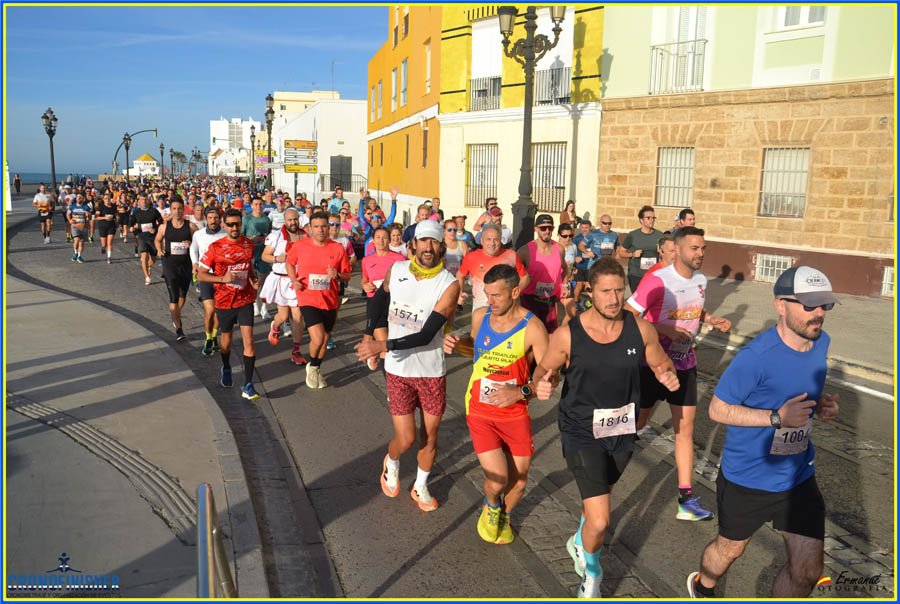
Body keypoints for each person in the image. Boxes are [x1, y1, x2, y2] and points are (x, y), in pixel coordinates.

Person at [686, 266, 841, 598]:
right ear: (780, 305)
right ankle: (702, 586)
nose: (818, 314)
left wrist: (823, 405)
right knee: (729, 550)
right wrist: (776, 418)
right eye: (809, 305)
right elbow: (717, 410)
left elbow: (802, 392)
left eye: (824, 306)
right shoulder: (755, 358)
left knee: (808, 571)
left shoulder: (820, 342)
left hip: (797, 477)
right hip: (748, 478)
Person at [532, 257, 680, 598]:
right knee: (600, 519)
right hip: (580, 430)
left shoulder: (640, 329)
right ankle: (592, 576)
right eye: (605, 292)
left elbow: (660, 361)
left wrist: (666, 372)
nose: (613, 299)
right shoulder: (568, 335)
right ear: (591, 294)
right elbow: (543, 370)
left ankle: (578, 540)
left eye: (619, 291)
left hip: (621, 430)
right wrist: (543, 384)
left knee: (598, 500)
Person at [626, 227, 733, 521]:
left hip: (684, 365)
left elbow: (693, 309)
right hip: (653, 366)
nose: (700, 254)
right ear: (678, 249)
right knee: (639, 421)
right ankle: (612, 454)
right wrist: (663, 329)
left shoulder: (700, 280)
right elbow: (628, 314)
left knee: (684, 431)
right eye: (694, 248)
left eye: (703, 248)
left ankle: (685, 499)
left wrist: (710, 318)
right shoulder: (658, 280)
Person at [355, 220, 460, 512]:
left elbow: (427, 334)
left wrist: (382, 346)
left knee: (430, 436)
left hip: (430, 370)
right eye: (423, 241)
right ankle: (391, 461)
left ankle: (421, 485)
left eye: (434, 242)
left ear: (441, 247)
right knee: (406, 438)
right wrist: (368, 335)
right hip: (399, 371)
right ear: (413, 244)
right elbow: (377, 301)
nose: (428, 247)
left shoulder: (449, 284)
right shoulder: (398, 270)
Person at [444, 264, 549, 544]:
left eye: (496, 296)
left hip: (515, 413)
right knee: (499, 480)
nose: (489, 301)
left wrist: (520, 391)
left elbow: (549, 376)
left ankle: (504, 513)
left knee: (521, 481)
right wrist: (457, 344)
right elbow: (478, 348)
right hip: (480, 410)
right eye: (487, 294)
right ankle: (492, 505)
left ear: (515, 292)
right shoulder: (481, 316)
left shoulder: (533, 328)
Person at [198, 208, 262, 401]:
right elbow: (201, 274)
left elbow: (249, 267)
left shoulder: (248, 244)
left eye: (238, 224)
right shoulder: (215, 247)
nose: (235, 227)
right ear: (224, 225)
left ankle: (248, 384)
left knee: (248, 340)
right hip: (225, 301)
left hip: (245, 299)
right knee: (225, 340)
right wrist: (222, 279)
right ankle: (226, 366)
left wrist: (253, 279)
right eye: (231, 224)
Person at [285, 211, 352, 388]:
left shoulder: (337, 248)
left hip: (329, 300)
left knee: (325, 338)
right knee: (319, 336)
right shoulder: (300, 246)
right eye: (316, 227)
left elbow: (347, 275)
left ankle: (314, 367)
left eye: (324, 226)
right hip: (307, 297)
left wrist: (337, 275)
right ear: (310, 228)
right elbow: (289, 262)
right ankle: (313, 366)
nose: (321, 230)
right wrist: (294, 280)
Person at [261, 207, 308, 365]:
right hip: (281, 280)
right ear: (285, 220)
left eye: (295, 219)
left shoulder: (305, 235)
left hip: (298, 280)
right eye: (290, 220)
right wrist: (277, 258)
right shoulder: (276, 236)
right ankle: (275, 326)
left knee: (298, 316)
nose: (293, 222)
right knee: (283, 316)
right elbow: (264, 256)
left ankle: (296, 350)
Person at [360, 226, 406, 370]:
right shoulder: (367, 260)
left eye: (385, 237)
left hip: (395, 304)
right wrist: (365, 285)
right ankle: (391, 389)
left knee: (395, 343)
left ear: (390, 240)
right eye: (378, 237)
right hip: (375, 304)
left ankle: (375, 350)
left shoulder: (399, 259)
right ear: (372, 240)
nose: (381, 240)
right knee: (385, 345)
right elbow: (364, 279)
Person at [458, 223, 529, 312]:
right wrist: (459, 292)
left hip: (507, 310)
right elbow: (460, 275)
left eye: (496, 239)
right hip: (481, 310)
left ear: (500, 241)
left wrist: (515, 293)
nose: (492, 243)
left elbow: (525, 277)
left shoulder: (511, 255)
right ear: (481, 241)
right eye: (488, 239)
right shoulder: (471, 257)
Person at [155, 198, 197, 341]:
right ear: (170, 210)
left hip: (185, 266)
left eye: (180, 208)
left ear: (183, 210)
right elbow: (157, 239)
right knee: (173, 296)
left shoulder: (190, 226)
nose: (177, 211)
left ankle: (175, 315)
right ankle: (179, 329)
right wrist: (159, 249)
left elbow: (198, 244)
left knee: (182, 296)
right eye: (174, 208)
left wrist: (191, 244)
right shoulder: (164, 227)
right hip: (169, 265)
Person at [517, 214, 566, 333]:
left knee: (550, 336)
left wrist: (564, 285)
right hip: (530, 301)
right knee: (529, 336)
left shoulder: (559, 249)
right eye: (543, 228)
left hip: (549, 301)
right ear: (536, 229)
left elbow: (565, 269)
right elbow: (513, 273)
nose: (547, 231)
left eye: (550, 228)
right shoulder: (525, 251)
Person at [191, 207, 227, 355]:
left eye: (216, 218)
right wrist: (195, 264)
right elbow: (193, 249)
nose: (213, 221)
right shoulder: (199, 234)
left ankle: (213, 336)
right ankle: (208, 338)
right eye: (210, 218)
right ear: (206, 219)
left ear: (220, 219)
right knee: (210, 309)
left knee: (218, 311)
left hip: (221, 277)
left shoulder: (225, 235)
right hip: (205, 276)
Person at [620, 205, 663, 294]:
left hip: (653, 275)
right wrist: (632, 254)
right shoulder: (633, 235)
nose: (652, 220)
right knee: (638, 302)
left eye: (653, 217)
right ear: (641, 220)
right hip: (636, 275)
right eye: (648, 218)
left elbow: (665, 254)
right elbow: (621, 252)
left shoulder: (660, 235)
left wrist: (661, 253)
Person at [242, 197, 273, 319]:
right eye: (256, 204)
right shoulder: (247, 219)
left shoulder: (266, 219)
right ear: (252, 205)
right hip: (251, 252)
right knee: (253, 280)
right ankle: (255, 303)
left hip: (263, 252)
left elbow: (270, 235)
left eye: (260, 204)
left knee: (264, 279)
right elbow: (241, 237)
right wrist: (252, 239)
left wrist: (265, 238)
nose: (258, 206)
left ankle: (264, 307)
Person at [130, 194, 164, 285]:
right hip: (142, 237)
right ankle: (147, 277)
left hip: (153, 237)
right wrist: (131, 228)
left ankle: (149, 266)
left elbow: (161, 222)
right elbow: (131, 222)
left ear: (148, 201)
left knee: (153, 259)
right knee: (144, 256)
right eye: (142, 199)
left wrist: (155, 229)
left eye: (145, 199)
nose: (144, 201)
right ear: (139, 201)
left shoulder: (153, 211)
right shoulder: (136, 212)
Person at [66, 194, 92, 263]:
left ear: (83, 199)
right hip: (75, 226)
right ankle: (75, 252)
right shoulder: (72, 206)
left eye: (80, 197)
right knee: (76, 240)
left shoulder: (86, 207)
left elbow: (90, 218)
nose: (78, 198)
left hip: (84, 226)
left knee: (82, 243)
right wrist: (69, 220)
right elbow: (68, 214)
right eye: (77, 197)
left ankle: (79, 256)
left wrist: (88, 215)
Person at [94, 192, 118, 263]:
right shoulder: (101, 206)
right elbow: (96, 217)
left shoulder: (114, 206)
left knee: (109, 243)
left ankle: (109, 257)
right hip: (102, 226)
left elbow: (116, 215)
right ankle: (103, 247)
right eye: (105, 198)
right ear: (103, 200)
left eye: (108, 198)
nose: (107, 200)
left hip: (112, 226)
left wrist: (117, 218)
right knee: (104, 244)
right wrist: (105, 217)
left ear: (110, 199)